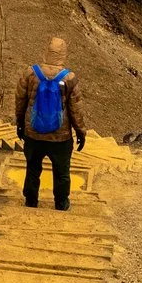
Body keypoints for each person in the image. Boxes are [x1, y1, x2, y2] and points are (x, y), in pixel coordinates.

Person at [13, 36, 85, 210]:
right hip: (60, 138)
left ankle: (31, 201)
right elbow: (76, 109)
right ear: (63, 54)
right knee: (61, 172)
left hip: (33, 133)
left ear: (46, 52)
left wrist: (20, 124)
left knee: (33, 169)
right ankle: (61, 203)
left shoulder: (31, 73)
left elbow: (20, 100)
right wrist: (80, 132)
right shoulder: (69, 78)